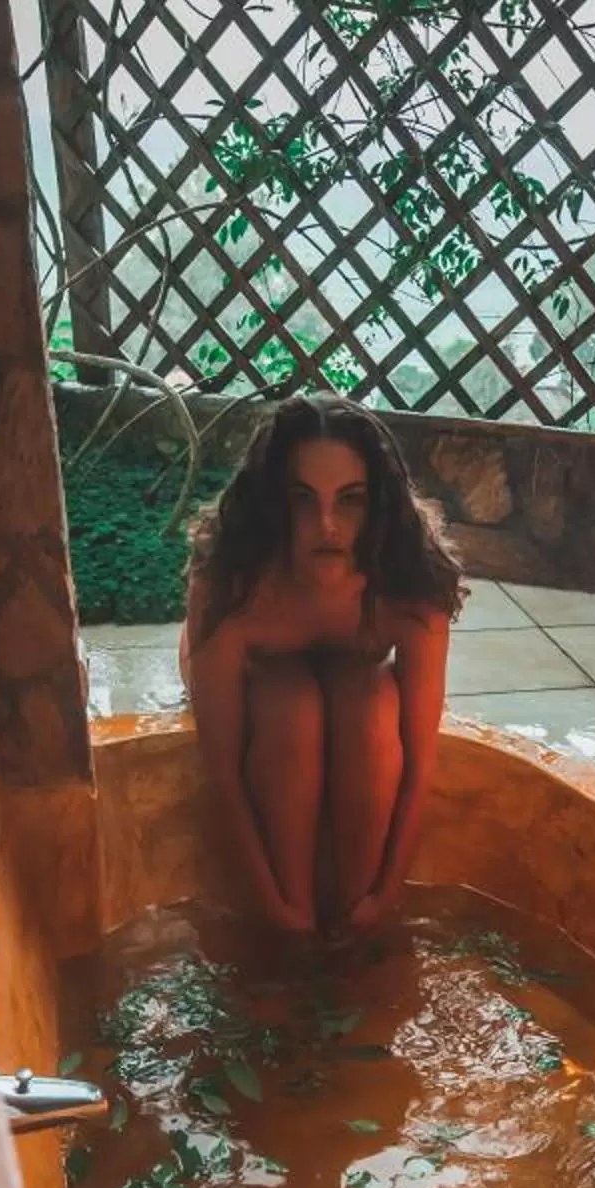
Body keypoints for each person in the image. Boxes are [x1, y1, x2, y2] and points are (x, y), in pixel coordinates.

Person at [181, 400, 464, 935]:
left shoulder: (411, 584)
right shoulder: (232, 583)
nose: (327, 525)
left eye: (350, 501)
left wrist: (386, 896)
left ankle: (352, 918)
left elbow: (420, 760)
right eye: (302, 500)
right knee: (292, 709)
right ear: (273, 504)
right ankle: (298, 912)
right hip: (257, 674)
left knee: (376, 710)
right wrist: (276, 908)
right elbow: (221, 771)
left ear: (378, 505)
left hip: (355, 670)